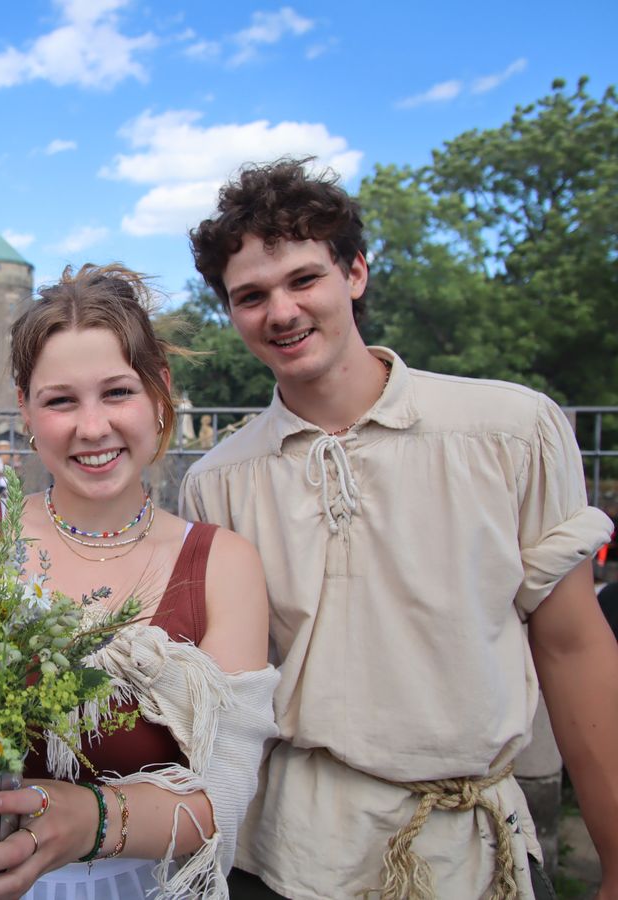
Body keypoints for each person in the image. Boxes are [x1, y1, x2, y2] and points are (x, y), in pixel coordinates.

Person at [180, 160, 618, 900]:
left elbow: (573, 644)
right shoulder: (217, 481)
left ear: (355, 272)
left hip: (476, 850)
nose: (281, 312)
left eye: (303, 279)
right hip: (290, 857)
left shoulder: (510, 431)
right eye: (250, 295)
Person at [0, 264, 281, 899]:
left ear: (160, 393)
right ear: (26, 411)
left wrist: (86, 821)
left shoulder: (223, 565)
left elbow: (224, 796)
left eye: (117, 392)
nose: (92, 428)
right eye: (61, 400)